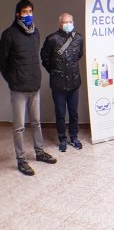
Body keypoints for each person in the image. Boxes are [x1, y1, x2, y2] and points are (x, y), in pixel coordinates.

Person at [0, 0, 57, 176]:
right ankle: (21, 160)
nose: (28, 15)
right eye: (24, 12)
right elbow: (2, 62)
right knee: (19, 127)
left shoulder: (36, 33)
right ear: (18, 14)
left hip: (34, 85)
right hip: (18, 88)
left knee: (36, 122)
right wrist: (12, 80)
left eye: (30, 11)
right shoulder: (9, 34)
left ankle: (39, 152)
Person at [41, 13, 83, 152]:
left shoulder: (78, 38)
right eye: (65, 22)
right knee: (60, 113)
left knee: (73, 113)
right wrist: (55, 72)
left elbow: (79, 55)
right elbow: (45, 58)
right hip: (58, 84)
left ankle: (74, 137)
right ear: (60, 23)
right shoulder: (52, 39)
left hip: (74, 82)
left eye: (70, 21)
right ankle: (62, 140)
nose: (68, 24)